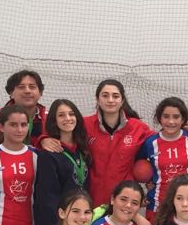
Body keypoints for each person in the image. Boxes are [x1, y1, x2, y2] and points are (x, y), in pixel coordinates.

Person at [42, 79, 152, 208]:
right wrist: (43, 139)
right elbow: (59, 129)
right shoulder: (85, 124)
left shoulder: (138, 127)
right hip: (92, 201)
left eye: (115, 96)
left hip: (123, 202)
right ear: (97, 99)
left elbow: (161, 142)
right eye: (105, 95)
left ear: (122, 100)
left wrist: (152, 180)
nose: (110, 100)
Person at [138, 97, 188, 216]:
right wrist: (147, 180)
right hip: (157, 205)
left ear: (183, 119)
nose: (171, 121)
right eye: (166, 116)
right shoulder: (150, 143)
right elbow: (138, 164)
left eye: (176, 117)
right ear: (159, 118)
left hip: (186, 205)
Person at [0, 70, 46, 151]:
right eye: (21, 87)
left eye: (32, 87)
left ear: (40, 93)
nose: (27, 91)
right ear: (11, 93)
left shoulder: (53, 119)